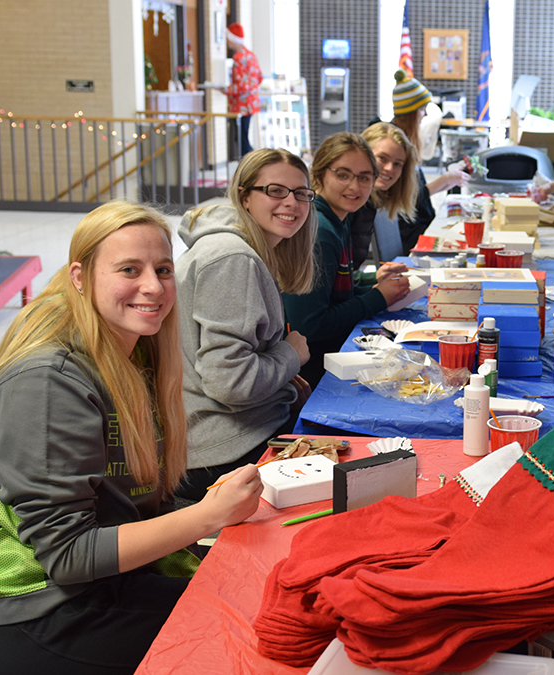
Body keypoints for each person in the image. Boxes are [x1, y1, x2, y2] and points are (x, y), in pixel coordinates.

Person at [0, 202, 263, 675]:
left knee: (263, 597)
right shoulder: (46, 384)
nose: (153, 287)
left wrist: (224, 513)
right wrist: (207, 517)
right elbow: (66, 556)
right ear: (80, 277)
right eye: (129, 269)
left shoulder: (135, 357)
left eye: (163, 269)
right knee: (253, 641)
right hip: (39, 611)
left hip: (106, 583)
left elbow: (131, 506)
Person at [175, 149, 316, 501]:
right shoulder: (232, 258)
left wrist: (281, 375)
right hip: (221, 452)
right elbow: (231, 383)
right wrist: (290, 356)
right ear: (244, 197)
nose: (292, 203)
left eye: (301, 194)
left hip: (232, 434)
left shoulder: (242, 250)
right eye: (275, 191)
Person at [282, 132, 412, 386]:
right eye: (343, 175)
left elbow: (335, 290)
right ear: (319, 175)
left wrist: (372, 285)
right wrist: (378, 297)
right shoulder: (319, 232)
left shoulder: (337, 219)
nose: (355, 187)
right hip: (315, 370)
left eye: (364, 178)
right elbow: (311, 326)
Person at [390, 70, 468, 252]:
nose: (424, 115)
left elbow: (417, 192)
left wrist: (449, 181)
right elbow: (407, 198)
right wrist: (445, 179)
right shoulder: (396, 144)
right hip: (410, 233)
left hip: (416, 225)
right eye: (422, 109)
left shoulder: (404, 140)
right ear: (410, 113)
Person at [349, 122, 421, 268]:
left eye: (397, 164)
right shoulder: (350, 206)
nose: (389, 168)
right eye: (382, 158)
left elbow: (347, 276)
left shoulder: (373, 204)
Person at [225, 23, 262, 157]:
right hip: (251, 103)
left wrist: (224, 89)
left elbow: (241, 86)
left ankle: (254, 165)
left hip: (241, 105)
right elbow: (259, 77)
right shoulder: (250, 55)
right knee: (243, 136)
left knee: (241, 140)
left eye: (228, 38)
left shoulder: (238, 58)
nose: (226, 41)